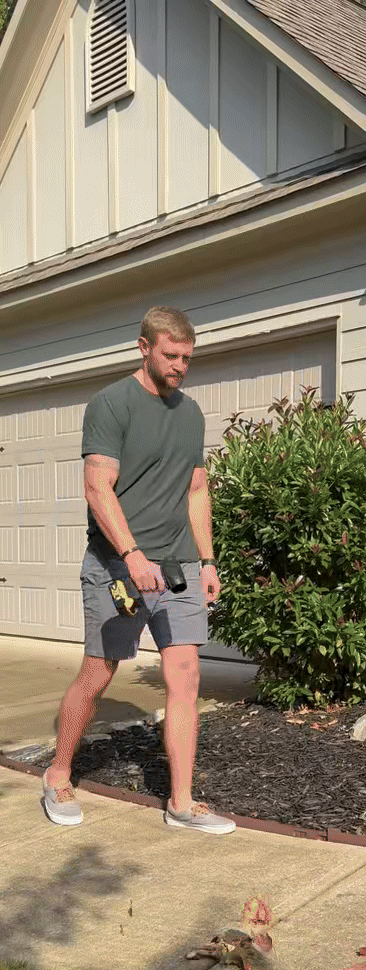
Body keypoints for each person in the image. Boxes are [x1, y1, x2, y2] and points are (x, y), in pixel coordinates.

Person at [41, 305, 236, 835]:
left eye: (187, 358)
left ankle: (182, 801)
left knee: (185, 676)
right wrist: (131, 555)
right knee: (99, 672)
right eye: (171, 356)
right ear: (144, 347)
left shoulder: (190, 413)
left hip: (177, 567)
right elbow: (97, 486)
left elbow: (196, 490)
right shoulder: (112, 404)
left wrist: (208, 560)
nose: (179, 366)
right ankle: (58, 771)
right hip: (115, 566)